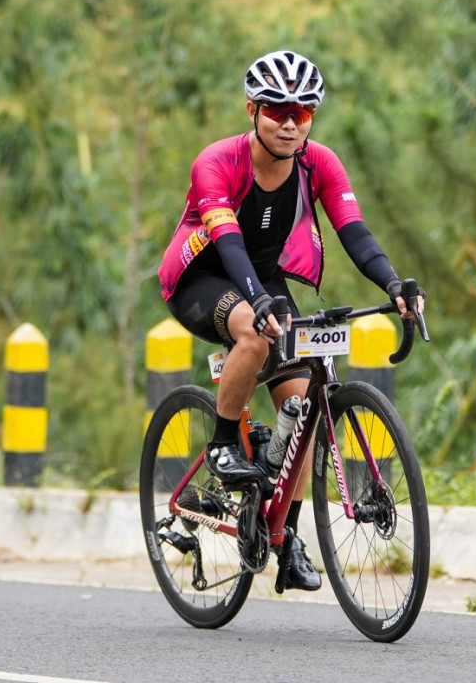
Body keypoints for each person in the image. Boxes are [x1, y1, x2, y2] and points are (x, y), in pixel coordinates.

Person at [157, 49, 424, 594]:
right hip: (202, 275)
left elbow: (354, 231)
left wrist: (394, 285)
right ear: (252, 110)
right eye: (277, 111)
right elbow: (228, 241)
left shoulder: (319, 162)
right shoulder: (217, 161)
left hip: (264, 280)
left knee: (302, 408)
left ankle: (286, 538)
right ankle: (223, 444)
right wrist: (256, 301)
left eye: (301, 114)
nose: (288, 123)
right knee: (252, 333)